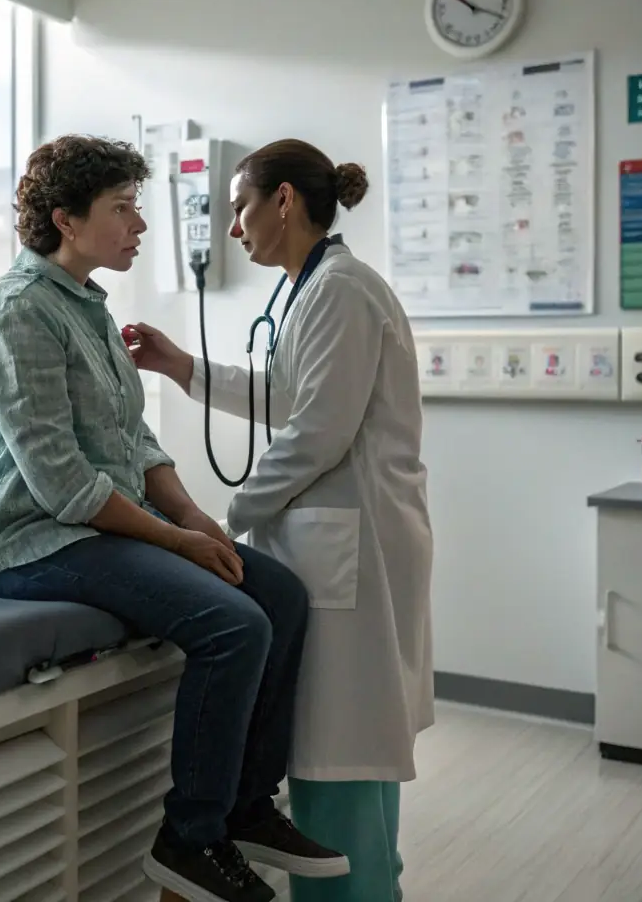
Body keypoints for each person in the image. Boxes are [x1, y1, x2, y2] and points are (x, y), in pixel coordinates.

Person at [0, 134, 349, 902]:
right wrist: (171, 539)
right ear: (66, 220)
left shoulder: (92, 309)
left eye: (137, 208)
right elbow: (60, 479)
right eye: (123, 209)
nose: (139, 225)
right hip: (29, 538)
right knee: (235, 625)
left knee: (282, 596)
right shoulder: (17, 311)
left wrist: (196, 519)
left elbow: (134, 441)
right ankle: (190, 838)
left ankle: (242, 807)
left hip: (99, 525)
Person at [127, 138, 434, 902]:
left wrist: (222, 521)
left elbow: (316, 432)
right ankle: (370, 886)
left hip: (348, 549)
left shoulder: (340, 292)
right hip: (336, 543)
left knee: (337, 745)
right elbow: (287, 389)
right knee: (355, 740)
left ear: (284, 201)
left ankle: (354, 892)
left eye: (239, 209)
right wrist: (181, 367)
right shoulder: (314, 287)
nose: (233, 229)